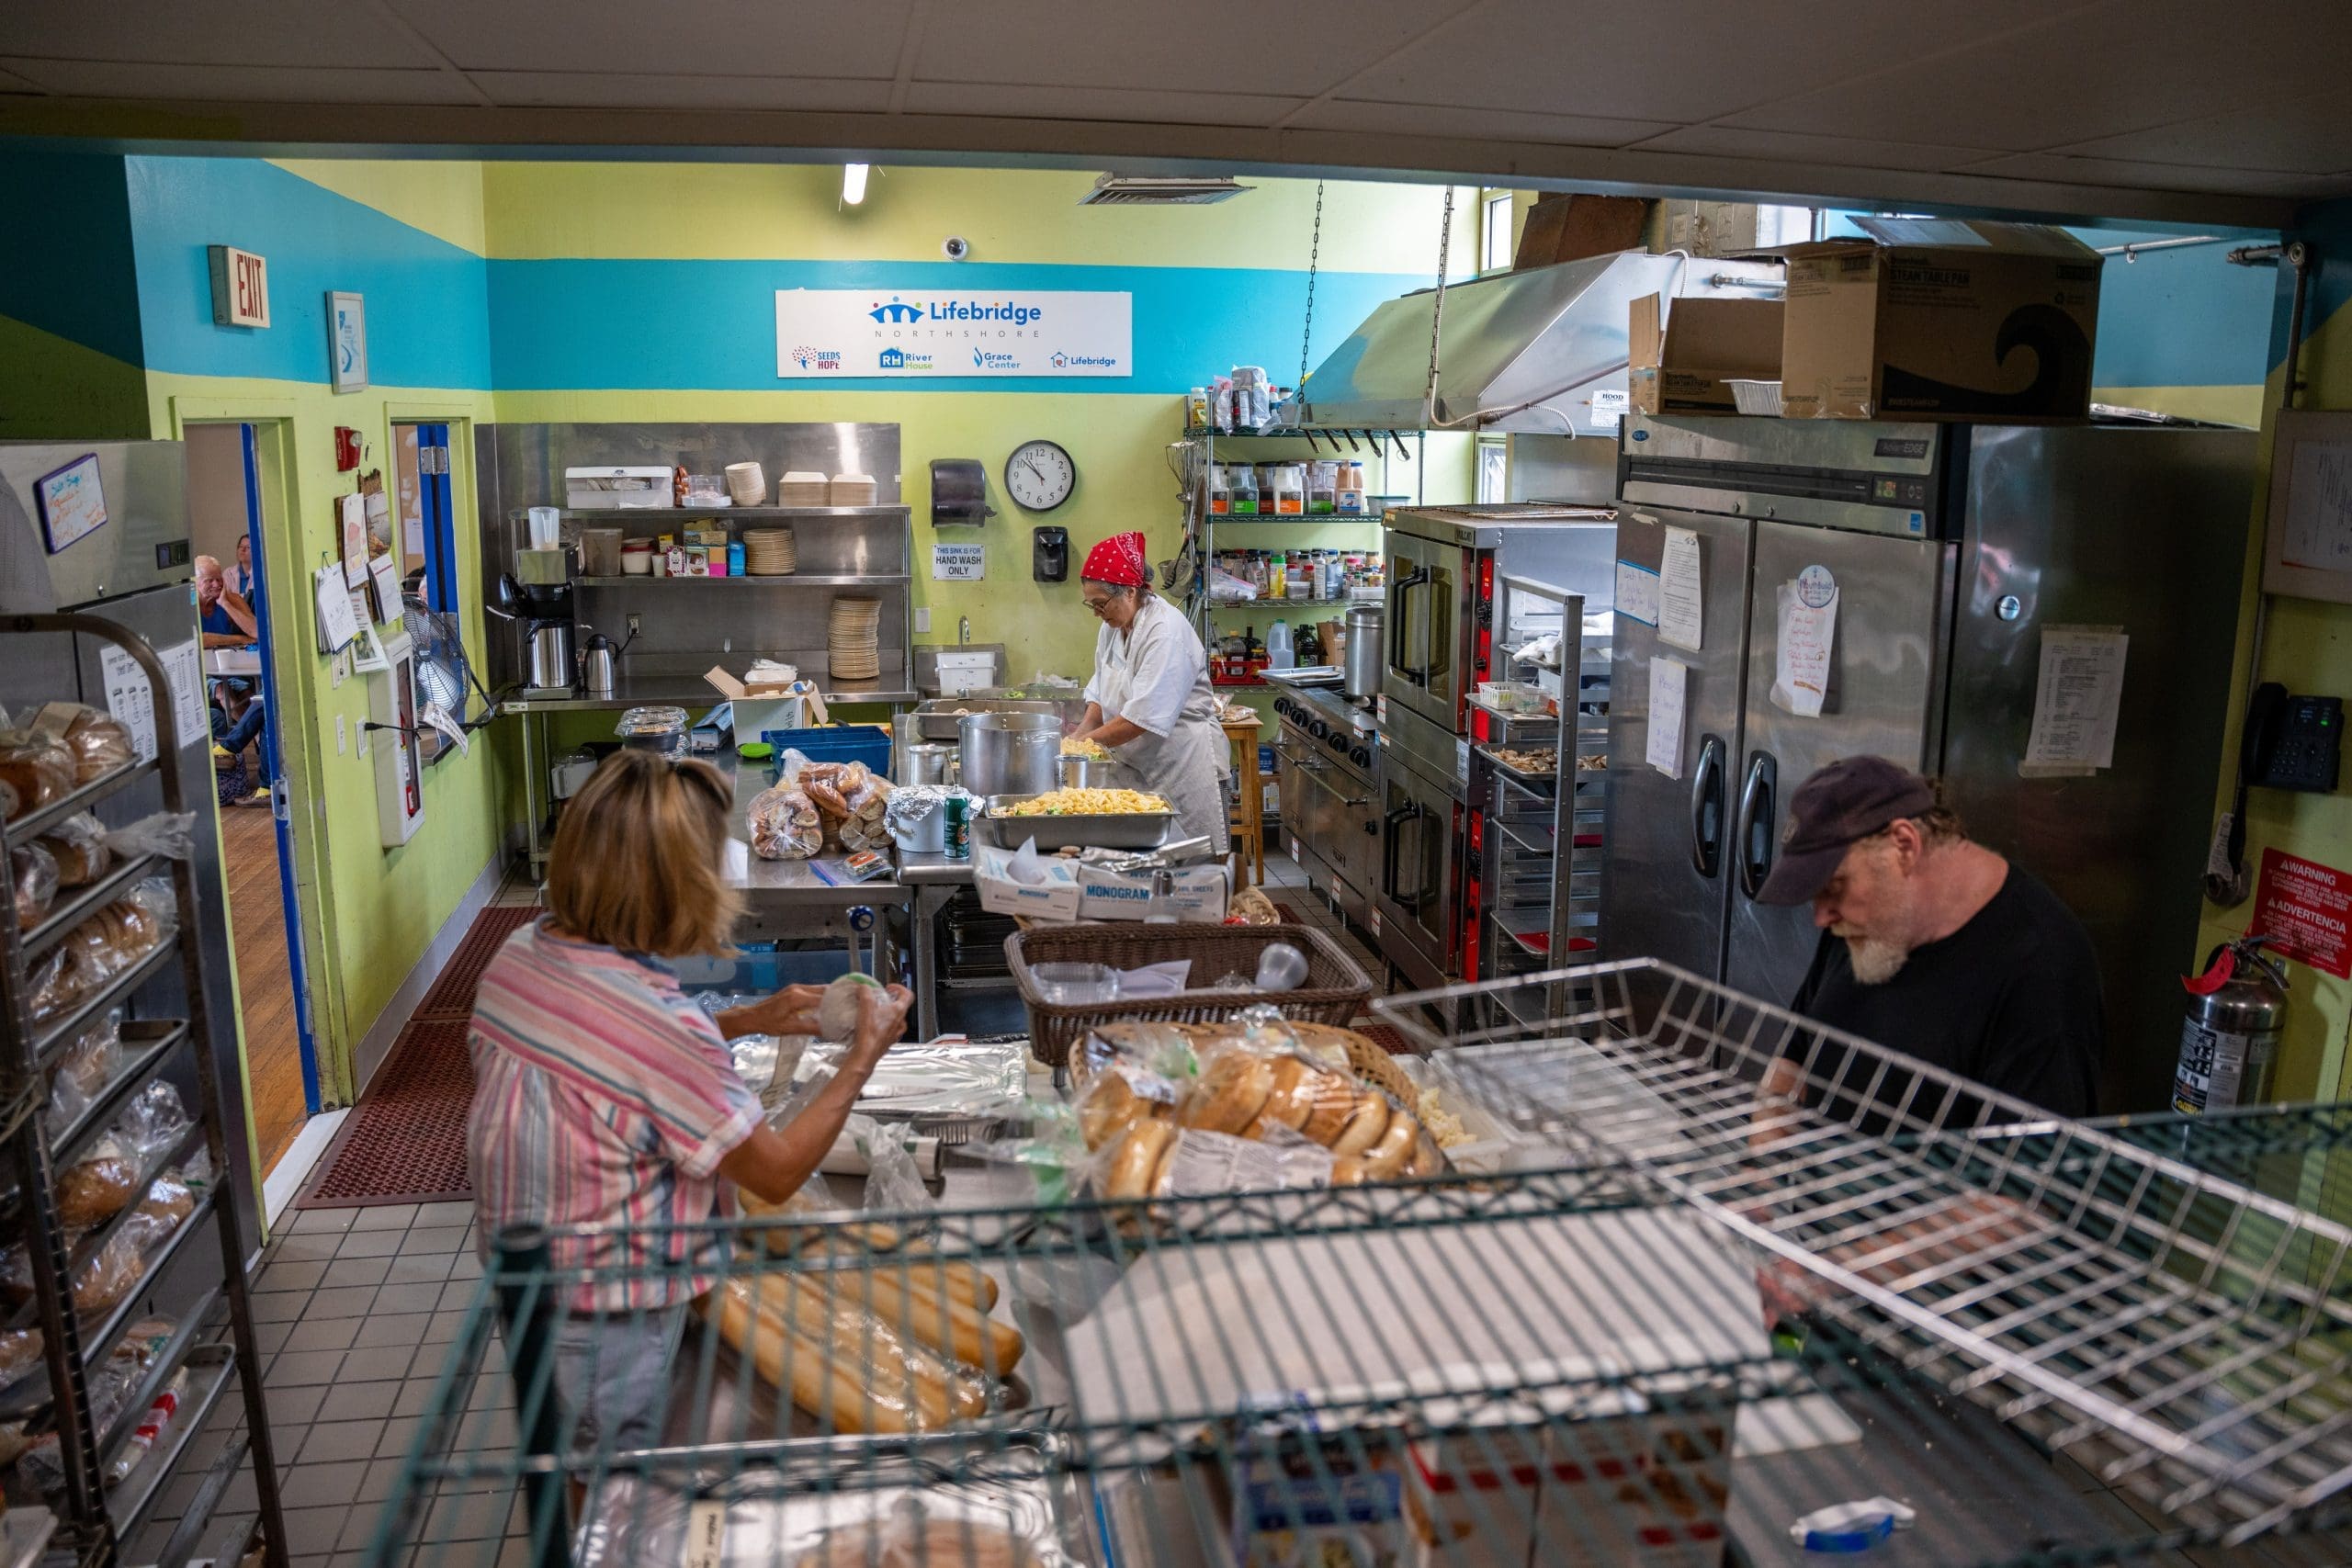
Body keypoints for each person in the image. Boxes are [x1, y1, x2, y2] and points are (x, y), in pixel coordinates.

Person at [466, 750, 912, 1454]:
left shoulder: (520, 954)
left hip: (535, 1292)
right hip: (612, 1314)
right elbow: (774, 1170)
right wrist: (864, 1053)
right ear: (678, 888)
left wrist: (750, 1016)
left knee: (568, 1458)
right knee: (611, 1488)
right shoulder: (660, 1028)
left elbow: (608, 1058)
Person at [1752, 755, 2103, 1123]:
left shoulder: (2040, 969)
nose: (1822, 918)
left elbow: (2026, 1175)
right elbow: (1793, 1058)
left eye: (1834, 888)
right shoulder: (1863, 919)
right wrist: (1760, 1168)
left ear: (1904, 846)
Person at [1069, 530, 1231, 852]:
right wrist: (1078, 736)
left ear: (1130, 591)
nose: (1097, 613)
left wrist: (1082, 747)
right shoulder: (1112, 628)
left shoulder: (1165, 632)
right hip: (1138, 767)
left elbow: (1141, 719)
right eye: (1092, 605)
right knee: (1146, 868)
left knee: (1195, 864)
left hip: (1183, 766)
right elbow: (1101, 694)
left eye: (1101, 604)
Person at [193, 555, 257, 649]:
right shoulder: (188, 605)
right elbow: (197, 641)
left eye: (219, 579)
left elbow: (257, 632)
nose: (217, 584)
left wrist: (225, 604)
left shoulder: (231, 599)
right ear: (195, 582)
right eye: (209, 580)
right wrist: (240, 639)